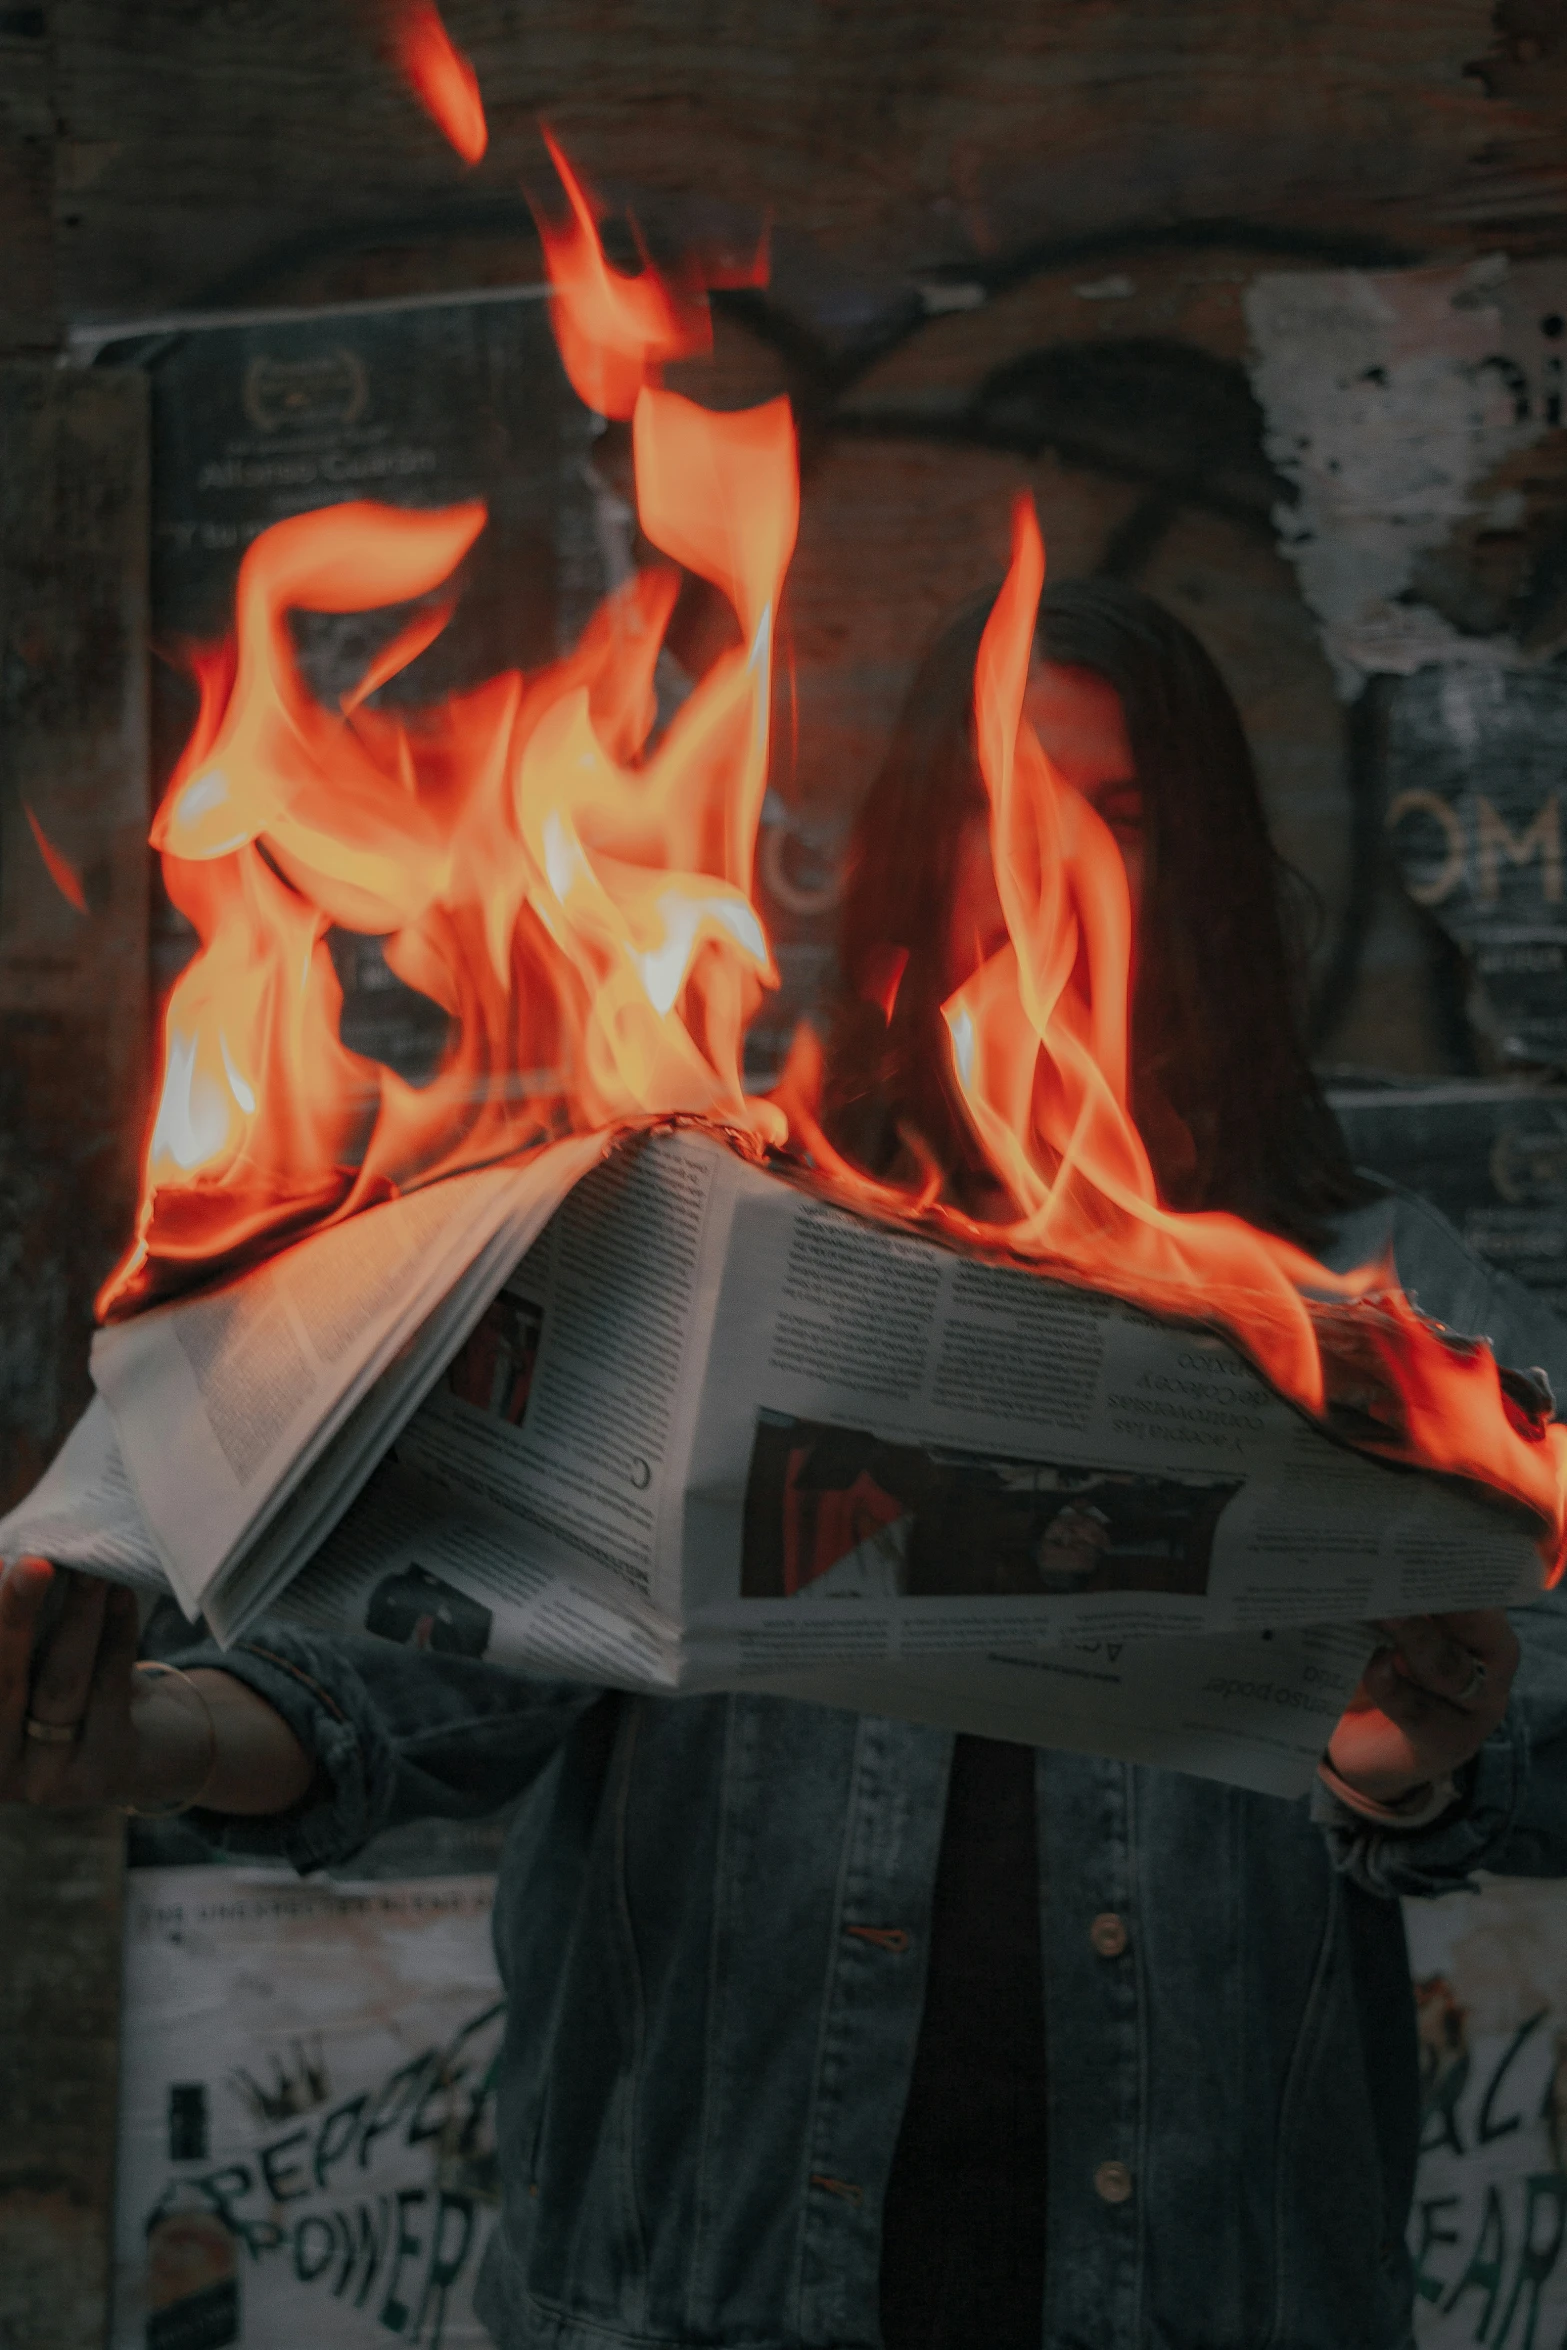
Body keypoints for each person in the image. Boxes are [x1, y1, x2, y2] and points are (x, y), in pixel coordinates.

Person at [5, 576, 1567, 2350]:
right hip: (699, 2297)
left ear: (1203, 865)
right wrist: (135, 1731)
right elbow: (405, 1670)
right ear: (919, 862)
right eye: (1003, 813)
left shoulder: (1394, 1307)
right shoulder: (705, 1247)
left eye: (1120, 818)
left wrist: (1418, 1764)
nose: (1056, 875)